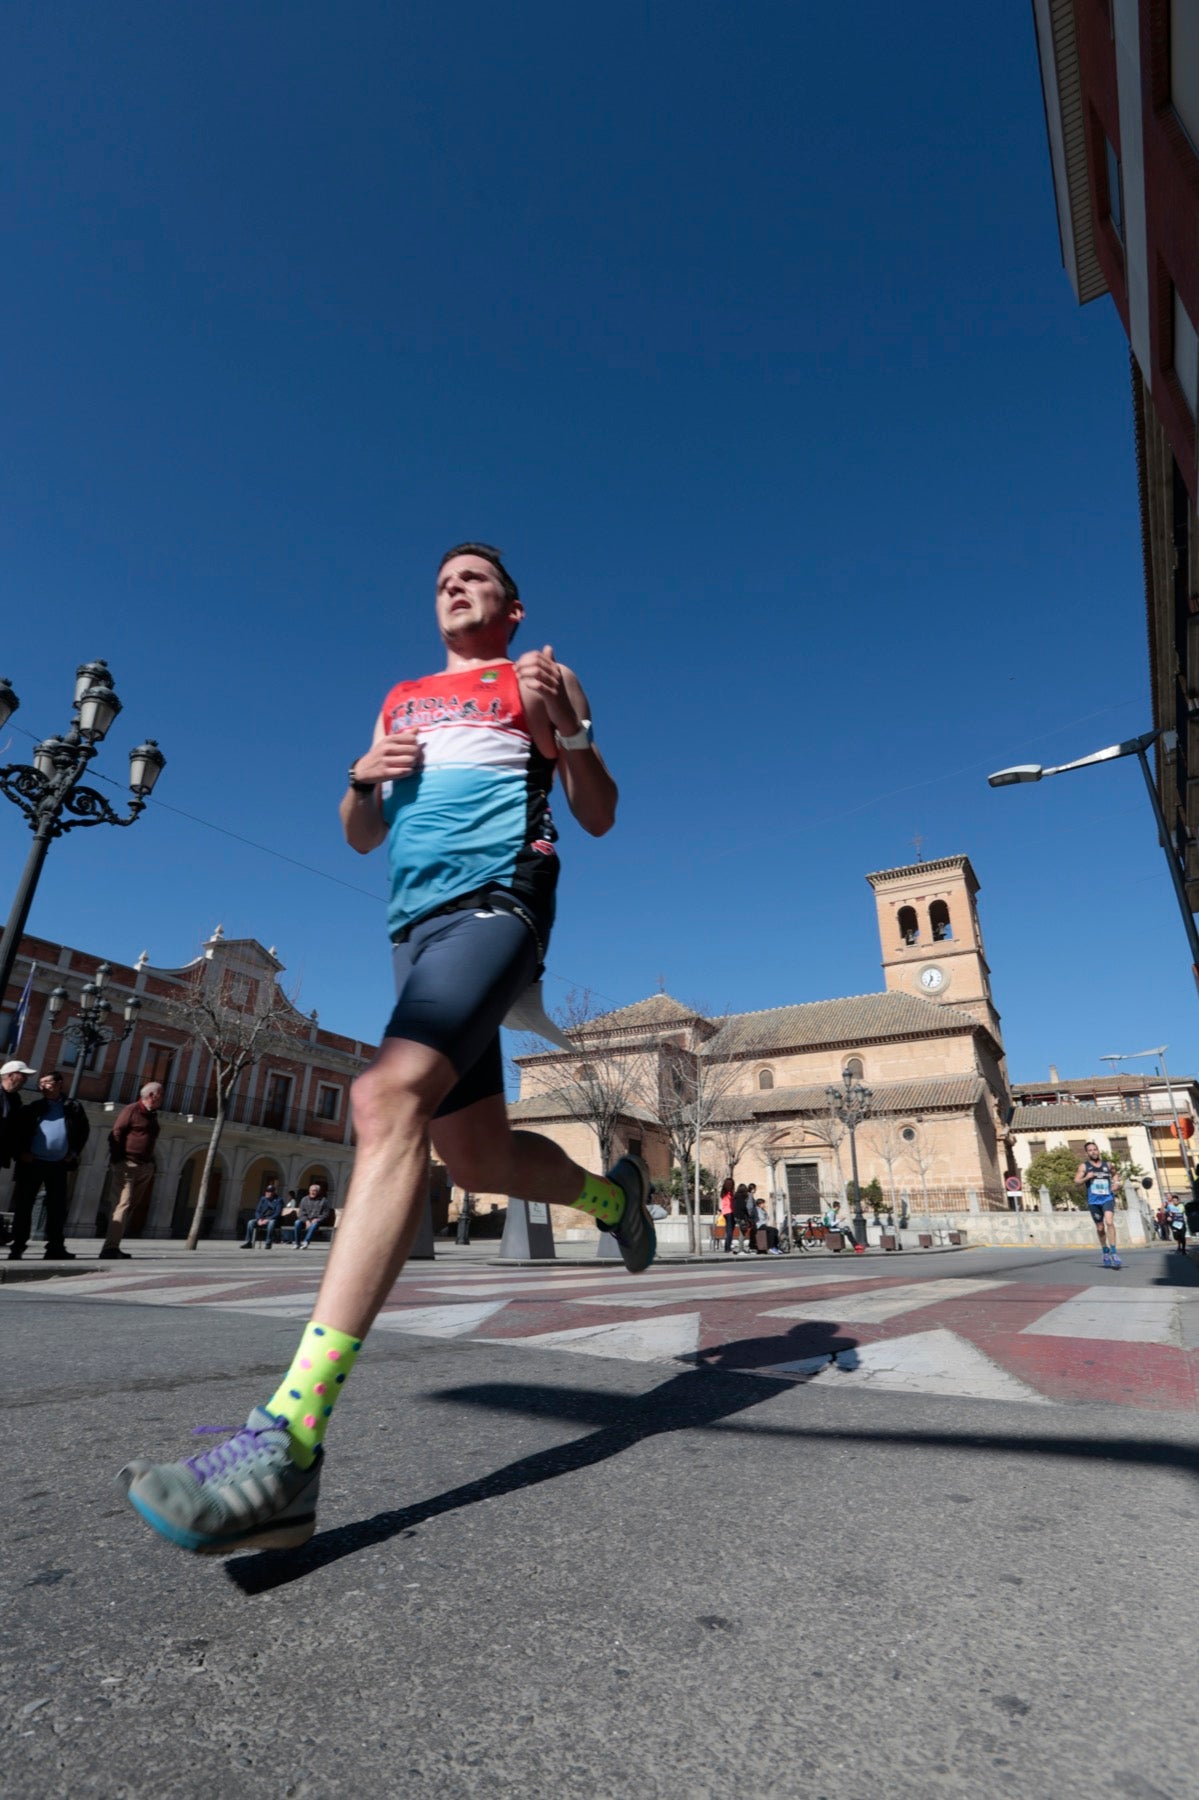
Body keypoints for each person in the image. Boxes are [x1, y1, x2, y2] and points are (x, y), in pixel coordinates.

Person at [120, 541, 654, 1553]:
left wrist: (572, 731)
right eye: (442, 580)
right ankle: (613, 1196)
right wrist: (359, 780)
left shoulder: (537, 676)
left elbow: (599, 813)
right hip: (413, 933)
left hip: (499, 904)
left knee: (382, 1100)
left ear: (509, 604)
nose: (453, 586)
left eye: (474, 578)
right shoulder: (401, 696)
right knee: (477, 1158)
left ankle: (288, 1440)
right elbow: (359, 833)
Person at [8, 1071, 89, 1261]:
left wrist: (74, 1153)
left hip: (59, 1165)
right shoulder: (33, 1108)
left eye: (46, 1082)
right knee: (24, 1206)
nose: (42, 1086)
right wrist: (22, 1153)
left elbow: (83, 1131)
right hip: (32, 1163)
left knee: (57, 1207)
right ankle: (18, 1246)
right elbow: (18, 1133)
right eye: (40, 1083)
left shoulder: (73, 1107)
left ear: (59, 1084)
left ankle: (55, 1247)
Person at [101, 1082, 164, 1259]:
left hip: (145, 1166)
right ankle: (110, 1248)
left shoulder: (152, 1115)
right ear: (151, 1095)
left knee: (130, 1207)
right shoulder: (132, 1110)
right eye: (161, 1094)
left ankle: (115, 1245)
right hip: (127, 1164)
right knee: (123, 1204)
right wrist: (118, 1159)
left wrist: (150, 1163)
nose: (162, 1097)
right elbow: (116, 1132)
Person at [0, 1059, 35, 1246]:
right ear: (10, 1075)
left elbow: (14, 1130)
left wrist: (19, 1151)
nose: (25, 1080)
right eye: (22, 1076)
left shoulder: (15, 1099)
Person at [1075, 1141, 1123, 1270]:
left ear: (1098, 1151)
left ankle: (1114, 1252)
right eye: (1090, 1150)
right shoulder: (1084, 1167)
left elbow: (1115, 1174)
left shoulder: (1107, 1165)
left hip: (1107, 1198)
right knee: (1100, 1227)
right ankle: (1105, 1251)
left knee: (1109, 1222)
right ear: (1087, 1153)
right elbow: (1076, 1181)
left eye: (1095, 1149)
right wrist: (1087, 1178)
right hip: (1093, 1201)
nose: (1093, 1152)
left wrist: (1117, 1183)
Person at [240, 1179, 285, 1249]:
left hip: (272, 1219)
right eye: (267, 1191)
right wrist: (259, 1219)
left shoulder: (279, 1200)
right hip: (262, 1219)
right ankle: (248, 1242)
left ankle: (268, 1243)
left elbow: (277, 1213)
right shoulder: (263, 1199)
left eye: (269, 1192)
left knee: (271, 1223)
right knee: (250, 1222)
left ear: (273, 1193)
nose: (267, 1193)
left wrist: (267, 1219)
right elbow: (257, 1211)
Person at [292, 1182, 331, 1248]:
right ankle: (297, 1243)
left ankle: (306, 1242)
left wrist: (318, 1219)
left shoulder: (324, 1201)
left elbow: (326, 1214)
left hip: (317, 1221)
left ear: (318, 1192)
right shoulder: (304, 1199)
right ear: (309, 1191)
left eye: (315, 1191)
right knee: (297, 1222)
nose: (313, 1192)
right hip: (305, 1220)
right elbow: (301, 1213)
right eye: (311, 1190)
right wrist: (306, 1221)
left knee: (314, 1224)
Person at [718, 1176, 735, 1252]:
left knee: (728, 1230)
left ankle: (727, 1247)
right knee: (730, 1231)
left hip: (724, 1212)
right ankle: (728, 1248)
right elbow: (730, 1203)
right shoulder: (729, 1193)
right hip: (730, 1212)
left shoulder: (723, 1192)